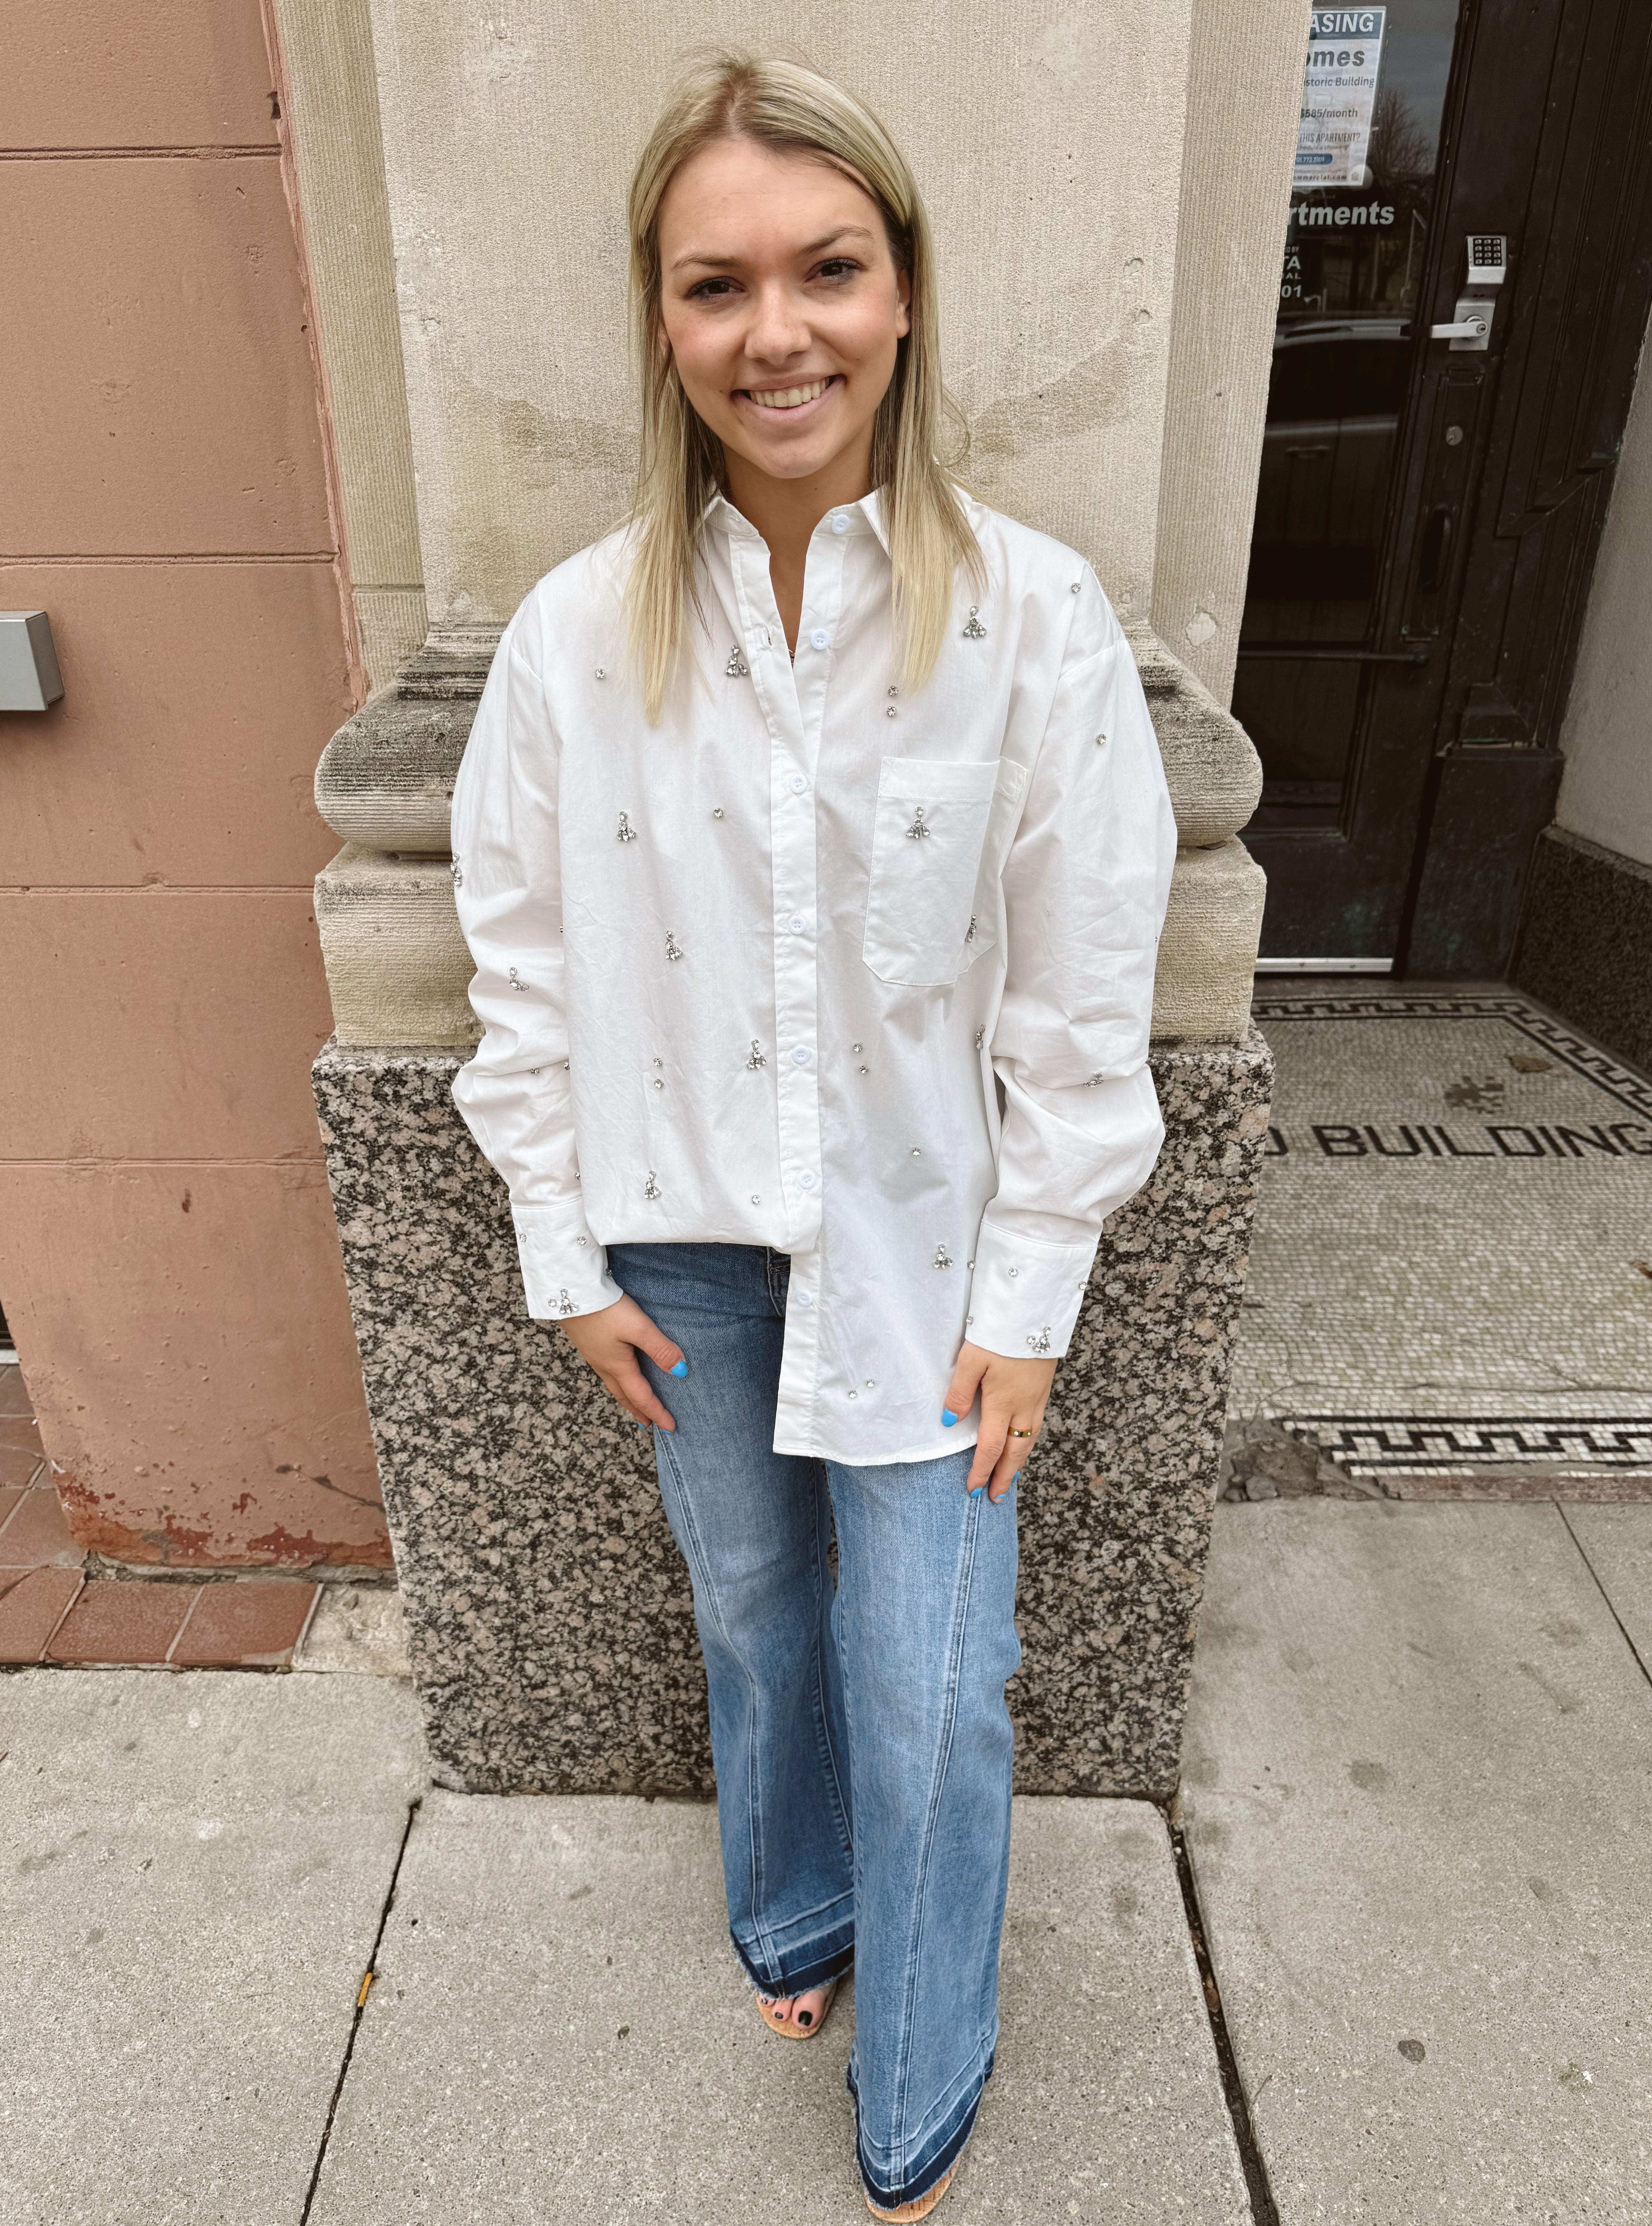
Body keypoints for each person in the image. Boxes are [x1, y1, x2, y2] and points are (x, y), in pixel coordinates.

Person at [448, 51, 1175, 2222]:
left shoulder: (1031, 622)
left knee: (938, 1681)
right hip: (680, 1256)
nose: (780, 332)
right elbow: (522, 955)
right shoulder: (581, 637)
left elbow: (1080, 984)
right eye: (719, 284)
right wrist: (558, 1250)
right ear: (663, 328)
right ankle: (793, 1909)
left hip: (933, 1261)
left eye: (827, 270)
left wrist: (1035, 1288)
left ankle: (922, 2073)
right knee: (756, 1614)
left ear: (906, 292)